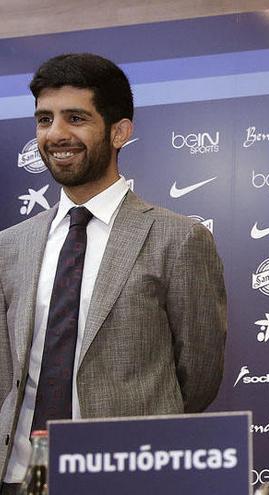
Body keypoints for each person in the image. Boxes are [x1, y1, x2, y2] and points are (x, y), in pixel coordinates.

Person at [0, 53, 227, 493]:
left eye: (76, 118)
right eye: (44, 119)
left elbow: (197, 378)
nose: (56, 134)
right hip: (19, 478)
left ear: (119, 131)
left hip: (129, 476)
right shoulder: (11, 245)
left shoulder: (178, 239)